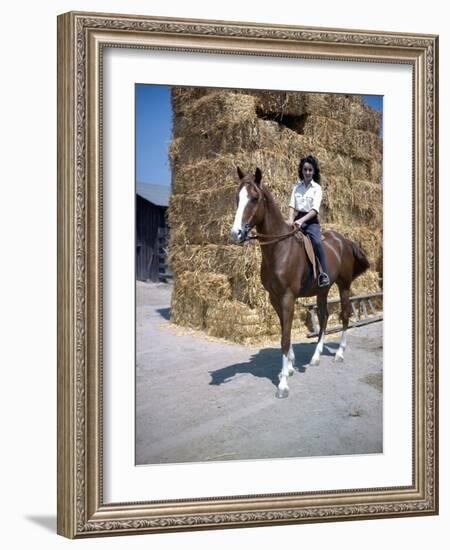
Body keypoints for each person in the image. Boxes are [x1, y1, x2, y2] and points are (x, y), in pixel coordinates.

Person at [287, 155, 330, 287]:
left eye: (310, 170)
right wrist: (290, 219)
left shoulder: (317, 188)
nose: (307, 172)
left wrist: (301, 221)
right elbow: (292, 205)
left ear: (314, 171)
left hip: (310, 221)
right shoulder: (296, 187)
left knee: (316, 242)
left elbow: (315, 210)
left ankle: (324, 274)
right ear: (302, 170)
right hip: (297, 218)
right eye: (305, 169)